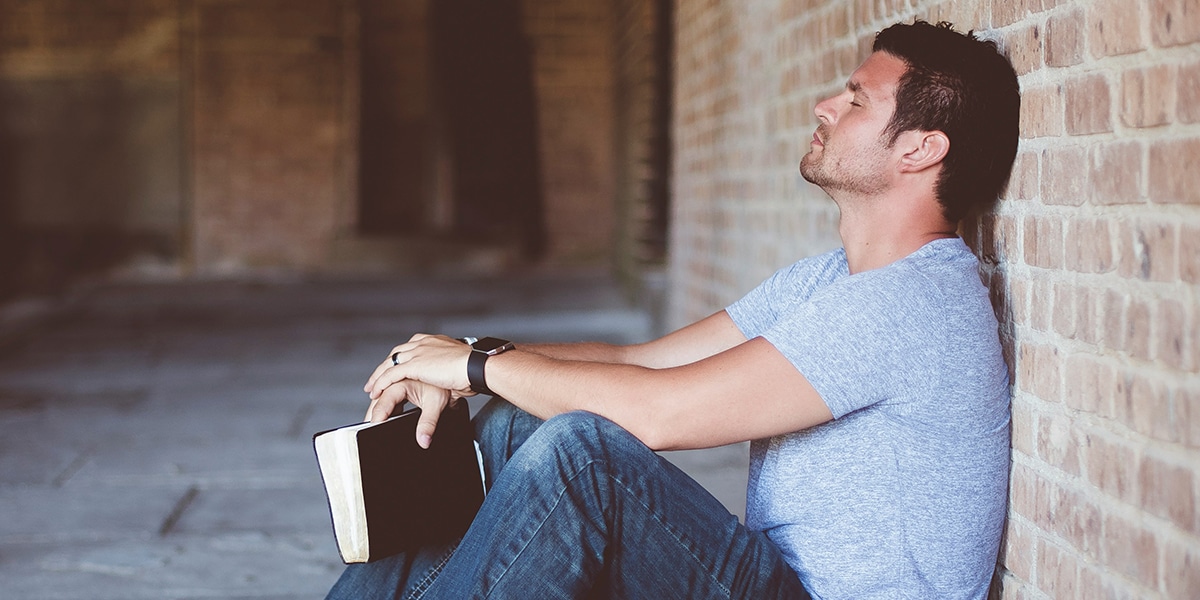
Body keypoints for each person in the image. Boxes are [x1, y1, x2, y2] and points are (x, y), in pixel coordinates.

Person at [327, 19, 1020, 600]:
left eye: (856, 101)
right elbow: (641, 362)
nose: (825, 107)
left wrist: (476, 366)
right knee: (518, 418)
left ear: (921, 150)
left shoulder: (911, 303)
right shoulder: (828, 280)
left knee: (585, 457)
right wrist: (464, 358)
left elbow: (663, 414)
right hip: (773, 578)